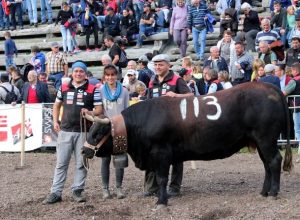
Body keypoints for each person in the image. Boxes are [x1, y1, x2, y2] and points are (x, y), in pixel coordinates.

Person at [42, 61, 102, 204]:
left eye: (81, 71)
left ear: (85, 73)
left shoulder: (93, 89)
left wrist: (90, 111)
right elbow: (56, 105)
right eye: (76, 71)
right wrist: (55, 121)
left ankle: (78, 190)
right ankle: (56, 193)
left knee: (81, 163)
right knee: (61, 163)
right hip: (65, 130)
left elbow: (100, 109)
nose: (78, 74)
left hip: (84, 131)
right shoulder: (63, 87)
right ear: (72, 73)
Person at [144, 54, 192, 197]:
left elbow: (190, 96)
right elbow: (148, 102)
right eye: (156, 65)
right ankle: (151, 187)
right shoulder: (152, 81)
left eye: (161, 64)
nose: (157, 67)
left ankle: (175, 187)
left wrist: (176, 96)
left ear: (168, 65)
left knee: (176, 155)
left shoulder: (177, 80)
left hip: (174, 125)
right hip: (155, 125)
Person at [98, 64, 129, 199]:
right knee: (105, 160)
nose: (110, 77)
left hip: (120, 128)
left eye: (113, 75)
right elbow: (99, 110)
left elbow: (127, 110)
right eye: (108, 75)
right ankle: (105, 188)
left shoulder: (124, 91)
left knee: (120, 159)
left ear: (117, 75)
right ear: (104, 76)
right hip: (105, 129)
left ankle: (118, 188)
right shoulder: (100, 91)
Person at [283, 62, 300, 143]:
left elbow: (284, 93)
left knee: (297, 129)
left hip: (296, 107)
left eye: (292, 71)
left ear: (296, 71)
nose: (291, 72)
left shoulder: (294, 81)